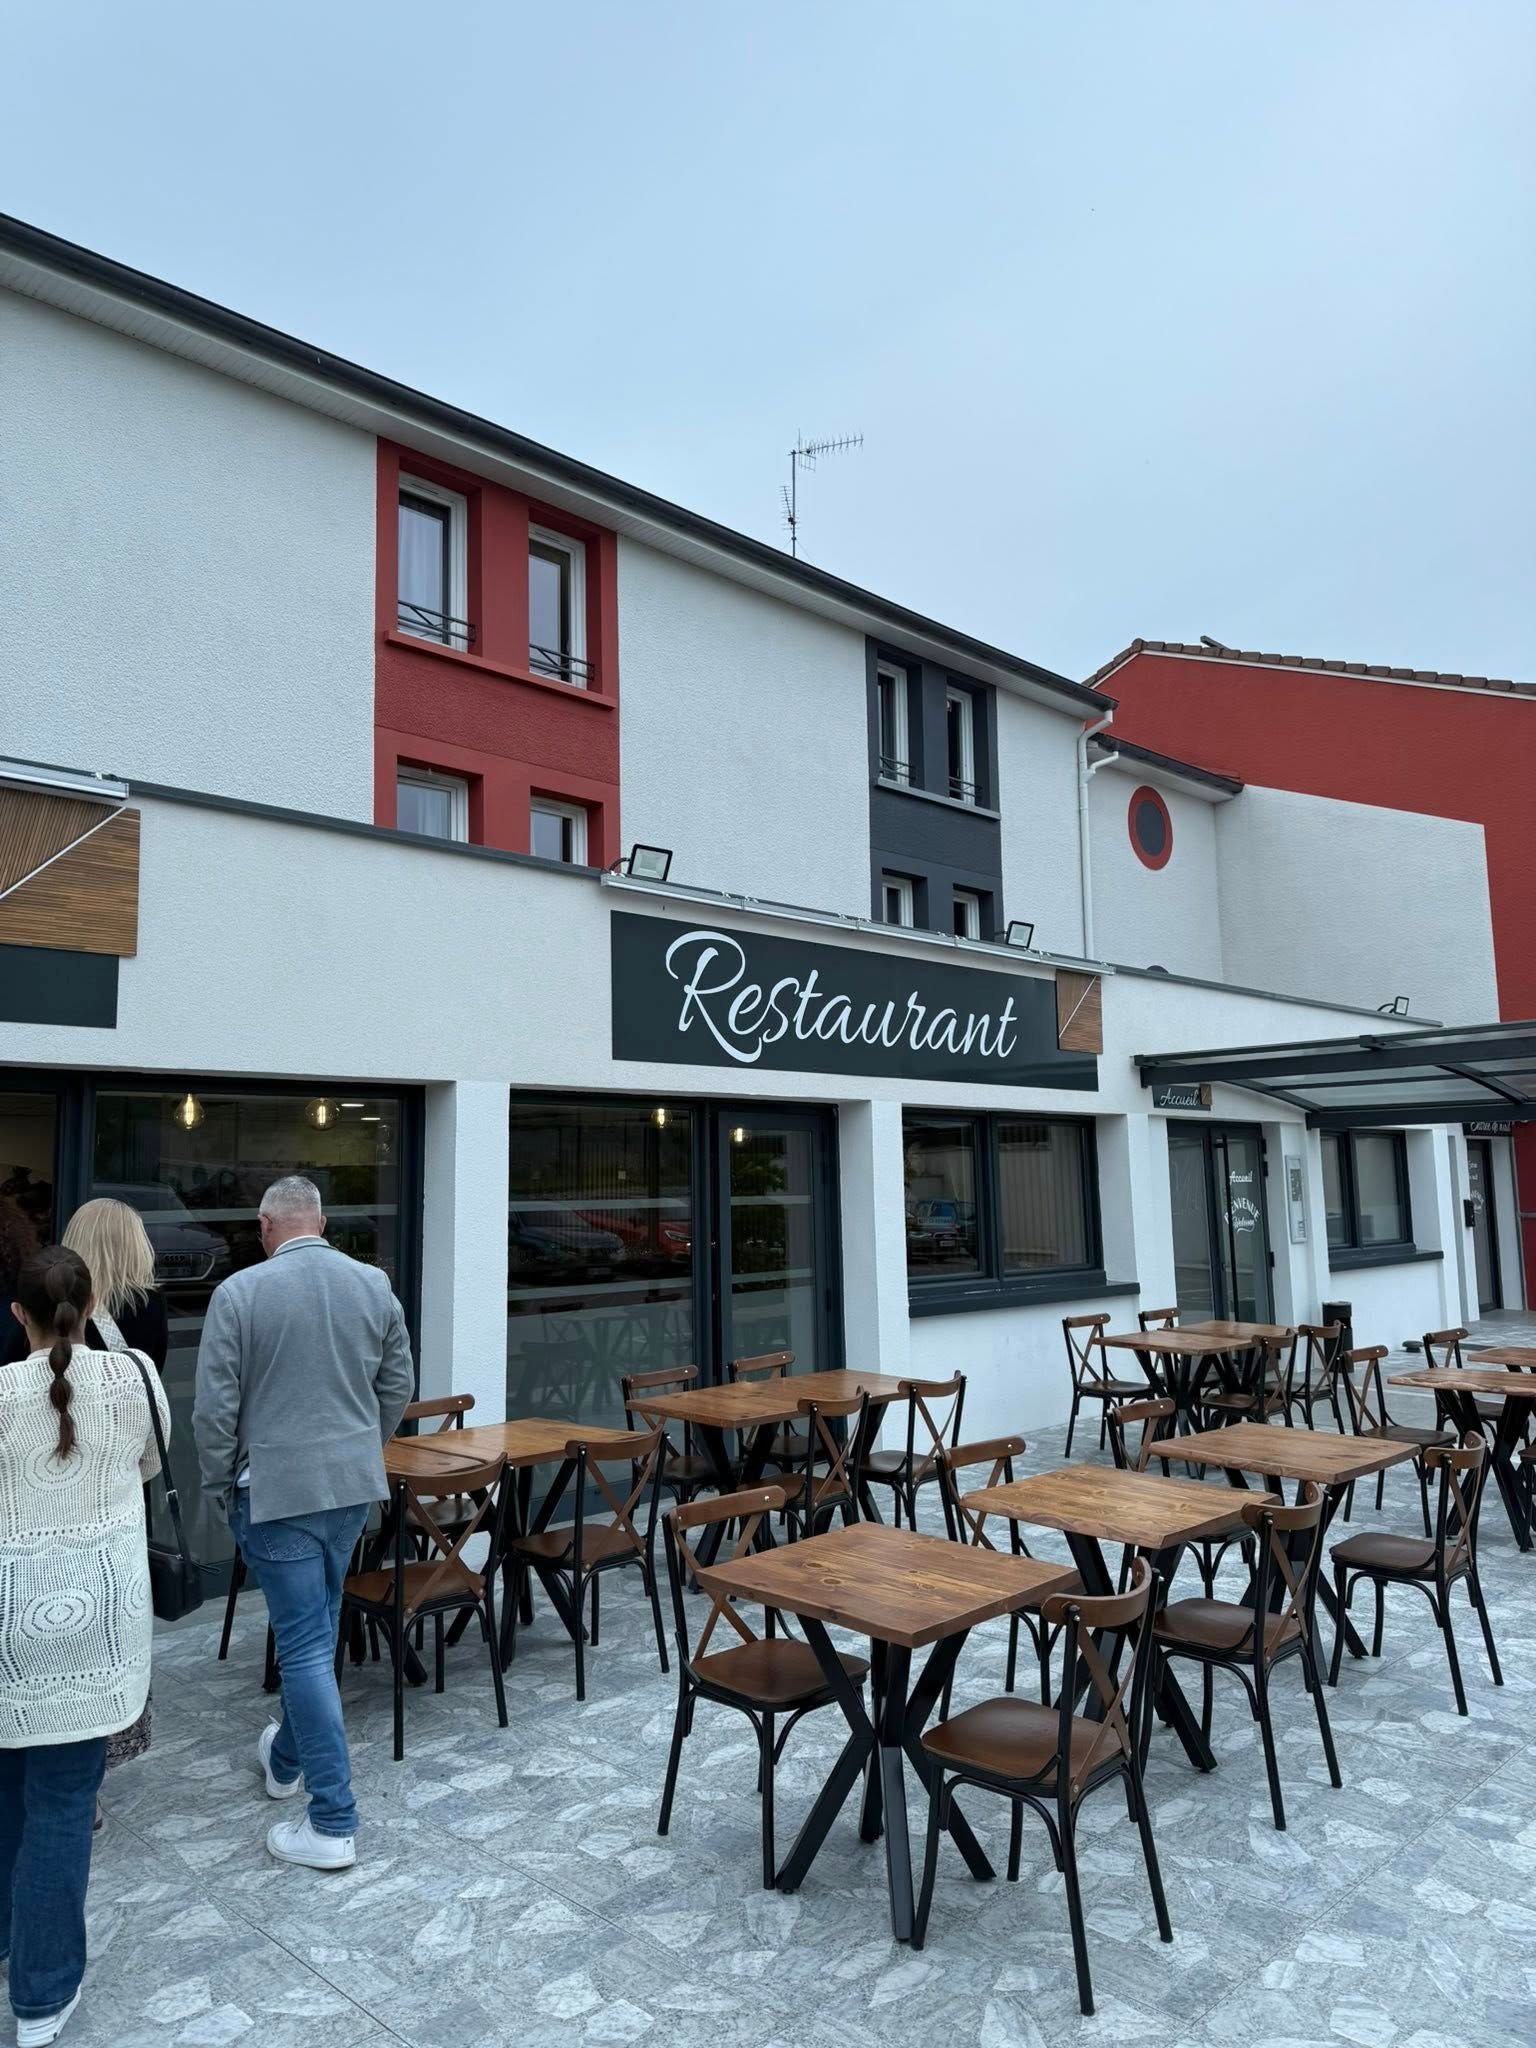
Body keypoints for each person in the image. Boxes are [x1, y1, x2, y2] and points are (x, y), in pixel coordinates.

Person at [193, 1175, 413, 1872]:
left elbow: (214, 1411)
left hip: (275, 1491)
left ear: (265, 1226)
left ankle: (333, 1819)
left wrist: (218, 1485)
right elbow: (397, 1383)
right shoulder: (373, 1285)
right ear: (321, 1221)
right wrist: (360, 1448)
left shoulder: (240, 1294)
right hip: (348, 1489)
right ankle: (284, 1759)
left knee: (308, 1647)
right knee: (316, 1628)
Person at [0, 1244, 169, 2048]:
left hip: (9, 1626)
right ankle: (40, 1997)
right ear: (93, 1302)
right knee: (64, 1806)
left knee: (9, 1799)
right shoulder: (131, 1378)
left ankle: (15, 1951)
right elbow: (147, 1463)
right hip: (99, 1622)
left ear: (16, 1316)